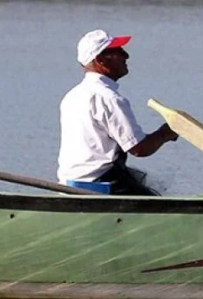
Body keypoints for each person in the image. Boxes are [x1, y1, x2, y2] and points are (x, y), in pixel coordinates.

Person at [57, 29, 178, 195]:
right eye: (117, 52)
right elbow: (139, 149)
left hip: (68, 184)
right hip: (100, 185)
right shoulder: (110, 99)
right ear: (100, 60)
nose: (126, 56)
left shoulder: (72, 95)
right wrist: (166, 133)